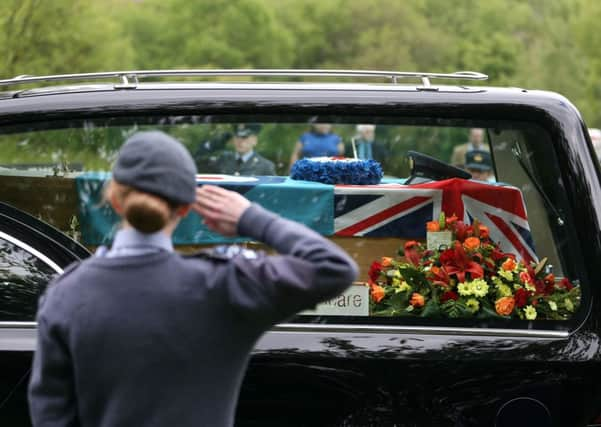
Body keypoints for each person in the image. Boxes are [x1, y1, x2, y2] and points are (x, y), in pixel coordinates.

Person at [28, 131, 357, 427]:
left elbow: (52, 415)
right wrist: (252, 218)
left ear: (114, 200)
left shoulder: (66, 295)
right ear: (185, 209)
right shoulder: (225, 284)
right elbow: (333, 269)